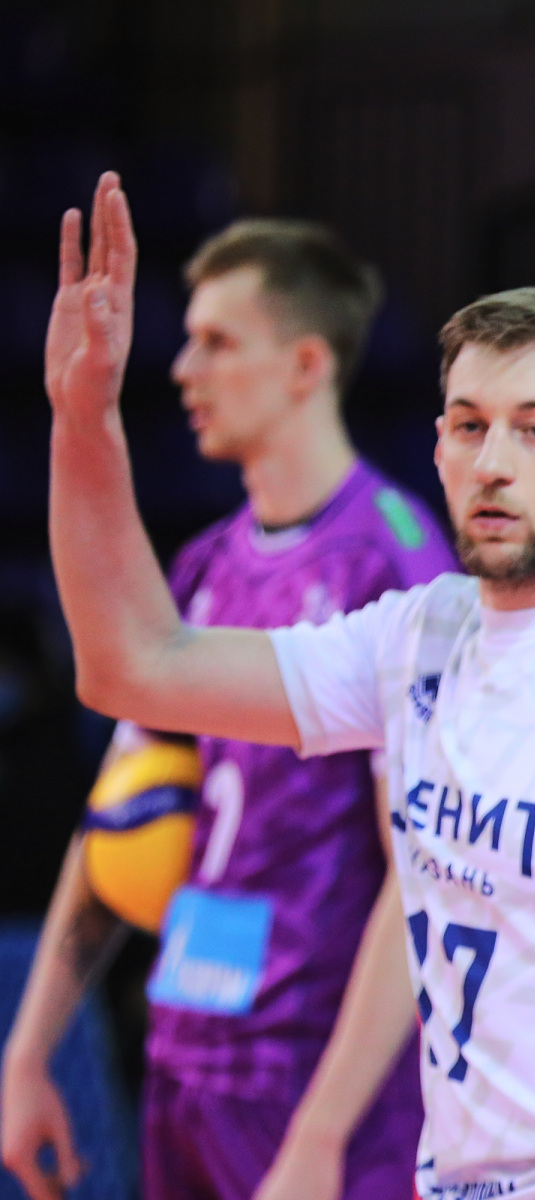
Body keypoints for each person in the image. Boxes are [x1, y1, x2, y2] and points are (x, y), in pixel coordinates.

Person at [35, 174, 535, 1199]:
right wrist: (85, 417)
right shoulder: (416, 633)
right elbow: (134, 666)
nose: (493, 463)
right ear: (436, 439)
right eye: (468, 425)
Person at [3, 215, 454, 1200]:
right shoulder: (206, 564)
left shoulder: (396, 562)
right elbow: (117, 814)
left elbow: (424, 875)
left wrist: (325, 1131)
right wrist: (27, 1050)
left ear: (305, 364)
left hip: (317, 1076)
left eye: (216, 341)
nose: (183, 370)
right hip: (185, 1051)